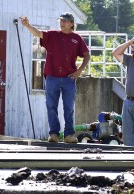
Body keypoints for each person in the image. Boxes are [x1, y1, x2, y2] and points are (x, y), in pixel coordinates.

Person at [19, 13, 90, 144]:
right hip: (52, 77)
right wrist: (28, 25)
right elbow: (38, 33)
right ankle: (54, 134)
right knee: (51, 106)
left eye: (65, 21)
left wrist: (79, 71)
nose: (62, 23)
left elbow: (87, 55)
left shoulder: (77, 38)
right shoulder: (52, 35)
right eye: (61, 21)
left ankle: (69, 135)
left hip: (69, 78)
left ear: (71, 24)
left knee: (69, 107)